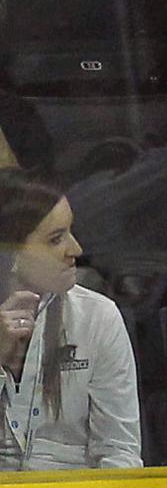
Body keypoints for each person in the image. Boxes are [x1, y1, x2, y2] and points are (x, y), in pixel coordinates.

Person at [0, 168, 141, 469]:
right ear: (10, 254)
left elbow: (120, 453)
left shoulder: (98, 318)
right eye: (55, 239)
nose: (75, 250)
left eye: (70, 232)